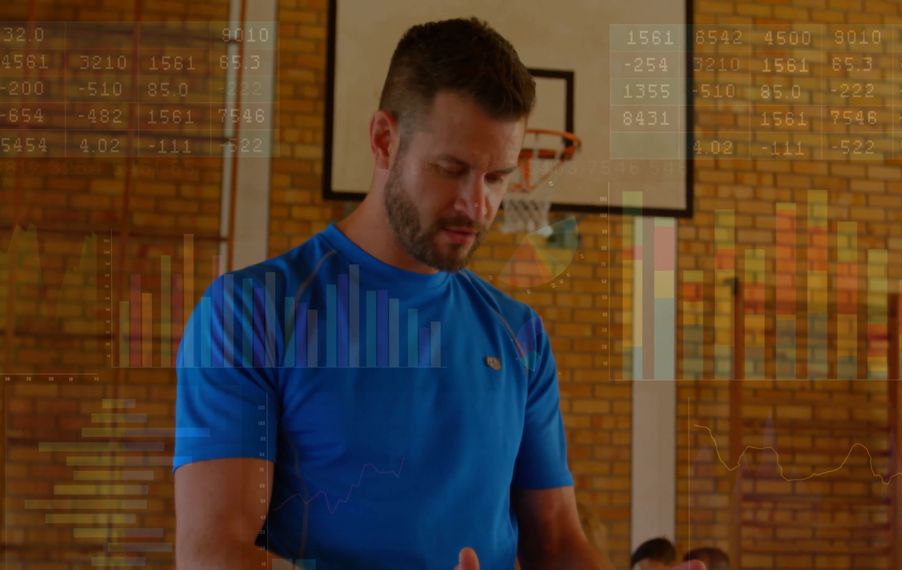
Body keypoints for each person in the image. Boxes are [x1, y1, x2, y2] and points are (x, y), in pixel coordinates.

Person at [172, 17, 614, 569]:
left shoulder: (519, 333)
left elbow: (558, 543)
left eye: (497, 177)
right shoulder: (250, 312)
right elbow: (212, 553)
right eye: (452, 169)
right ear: (384, 140)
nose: (477, 205)